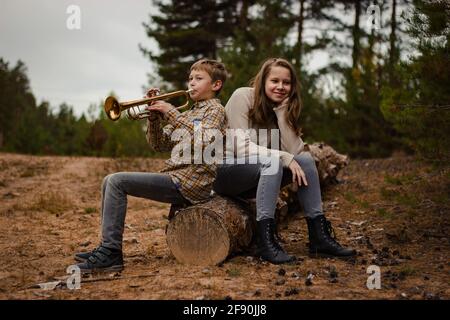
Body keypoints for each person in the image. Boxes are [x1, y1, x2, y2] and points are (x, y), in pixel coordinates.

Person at [74, 58, 228, 273]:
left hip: (193, 182)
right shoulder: (190, 113)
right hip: (177, 178)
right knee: (109, 180)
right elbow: (160, 144)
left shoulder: (215, 111)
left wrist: (171, 112)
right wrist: (154, 119)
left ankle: (110, 254)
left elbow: (205, 137)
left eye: (199, 79)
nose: (191, 83)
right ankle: (107, 247)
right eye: (190, 78)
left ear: (216, 85)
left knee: (117, 181)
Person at [213, 57, 356, 264]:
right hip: (225, 173)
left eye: (286, 83)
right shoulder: (242, 96)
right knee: (273, 161)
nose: (280, 87)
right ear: (263, 81)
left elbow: (297, 151)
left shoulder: (280, 107)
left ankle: (319, 237)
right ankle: (266, 242)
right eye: (274, 81)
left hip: (257, 176)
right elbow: (239, 148)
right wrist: (283, 156)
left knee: (306, 160)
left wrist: (282, 114)